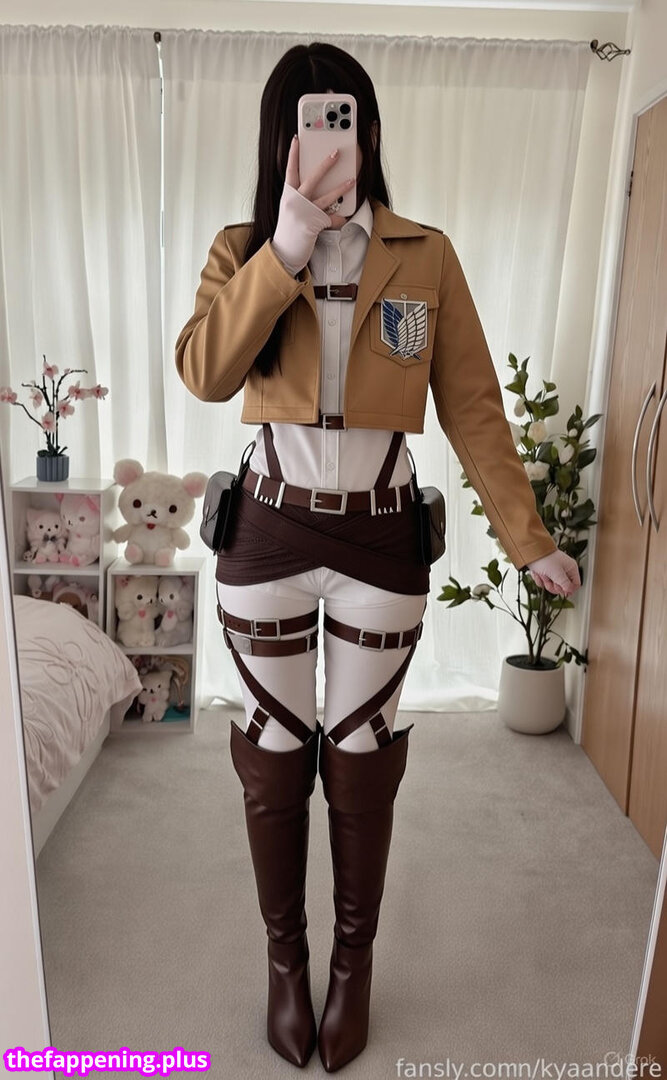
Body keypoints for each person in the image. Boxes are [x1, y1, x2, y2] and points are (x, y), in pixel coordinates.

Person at [175, 42, 581, 1073]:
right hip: (268, 529)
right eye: (309, 120)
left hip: (379, 534)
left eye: (343, 117)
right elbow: (206, 372)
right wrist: (285, 249)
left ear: (367, 130)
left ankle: (350, 970)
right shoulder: (241, 248)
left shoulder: (423, 255)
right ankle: (286, 963)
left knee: (361, 756)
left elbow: (473, 406)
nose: (328, 138)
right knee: (273, 753)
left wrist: (526, 538)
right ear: (280, 138)